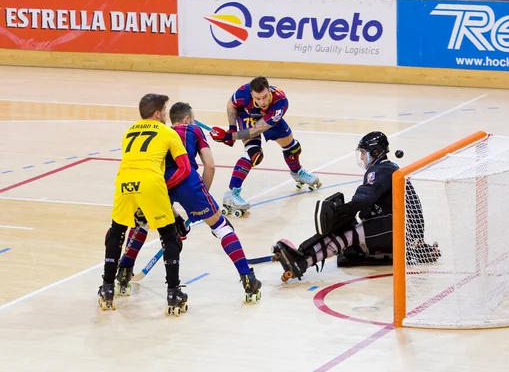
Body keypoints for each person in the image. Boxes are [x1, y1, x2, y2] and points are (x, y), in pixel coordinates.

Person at [116, 102, 262, 304]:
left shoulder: (162, 131)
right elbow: (209, 165)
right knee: (221, 227)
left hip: (159, 182)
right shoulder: (194, 129)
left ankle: (124, 272)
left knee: (143, 223)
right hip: (188, 181)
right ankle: (248, 279)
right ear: (187, 119)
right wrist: (202, 198)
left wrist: (173, 212)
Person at [272, 131, 441, 281]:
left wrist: (342, 210)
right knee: (347, 228)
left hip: (397, 228)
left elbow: (363, 200)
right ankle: (303, 253)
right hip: (400, 227)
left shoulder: (380, 171)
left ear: (375, 153)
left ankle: (302, 262)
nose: (361, 157)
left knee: (347, 235)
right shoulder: (387, 168)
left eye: (363, 153)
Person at [98, 94, 192, 315]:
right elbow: (185, 168)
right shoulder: (168, 132)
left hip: (124, 181)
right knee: (169, 236)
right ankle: (173, 292)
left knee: (116, 232)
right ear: (157, 114)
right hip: (151, 182)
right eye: (165, 110)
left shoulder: (128, 132)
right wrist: (164, 187)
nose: (167, 115)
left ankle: (107, 287)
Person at [209, 76, 321, 216]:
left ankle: (297, 173)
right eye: (257, 98)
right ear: (251, 95)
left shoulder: (280, 102)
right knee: (254, 155)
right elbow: (231, 105)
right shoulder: (243, 92)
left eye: (265, 97)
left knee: (293, 148)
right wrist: (232, 128)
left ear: (270, 91)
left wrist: (229, 136)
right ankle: (231, 194)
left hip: (267, 119)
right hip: (246, 116)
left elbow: (257, 129)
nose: (262, 102)